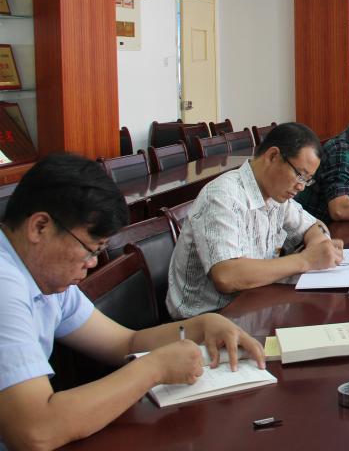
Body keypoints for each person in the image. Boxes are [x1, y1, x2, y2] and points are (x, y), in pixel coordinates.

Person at [0, 154, 265, 451]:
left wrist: (202, 325)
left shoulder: (43, 275)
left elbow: (124, 343)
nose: (91, 263)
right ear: (40, 227)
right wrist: (154, 369)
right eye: (90, 250)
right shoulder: (5, 286)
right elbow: (36, 431)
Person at [166, 122, 344, 319]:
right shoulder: (222, 196)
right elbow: (226, 276)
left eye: (307, 180)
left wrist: (321, 244)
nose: (301, 186)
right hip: (207, 322)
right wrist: (305, 260)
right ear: (273, 156)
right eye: (300, 175)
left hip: (254, 305)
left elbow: (313, 225)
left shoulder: (276, 194)